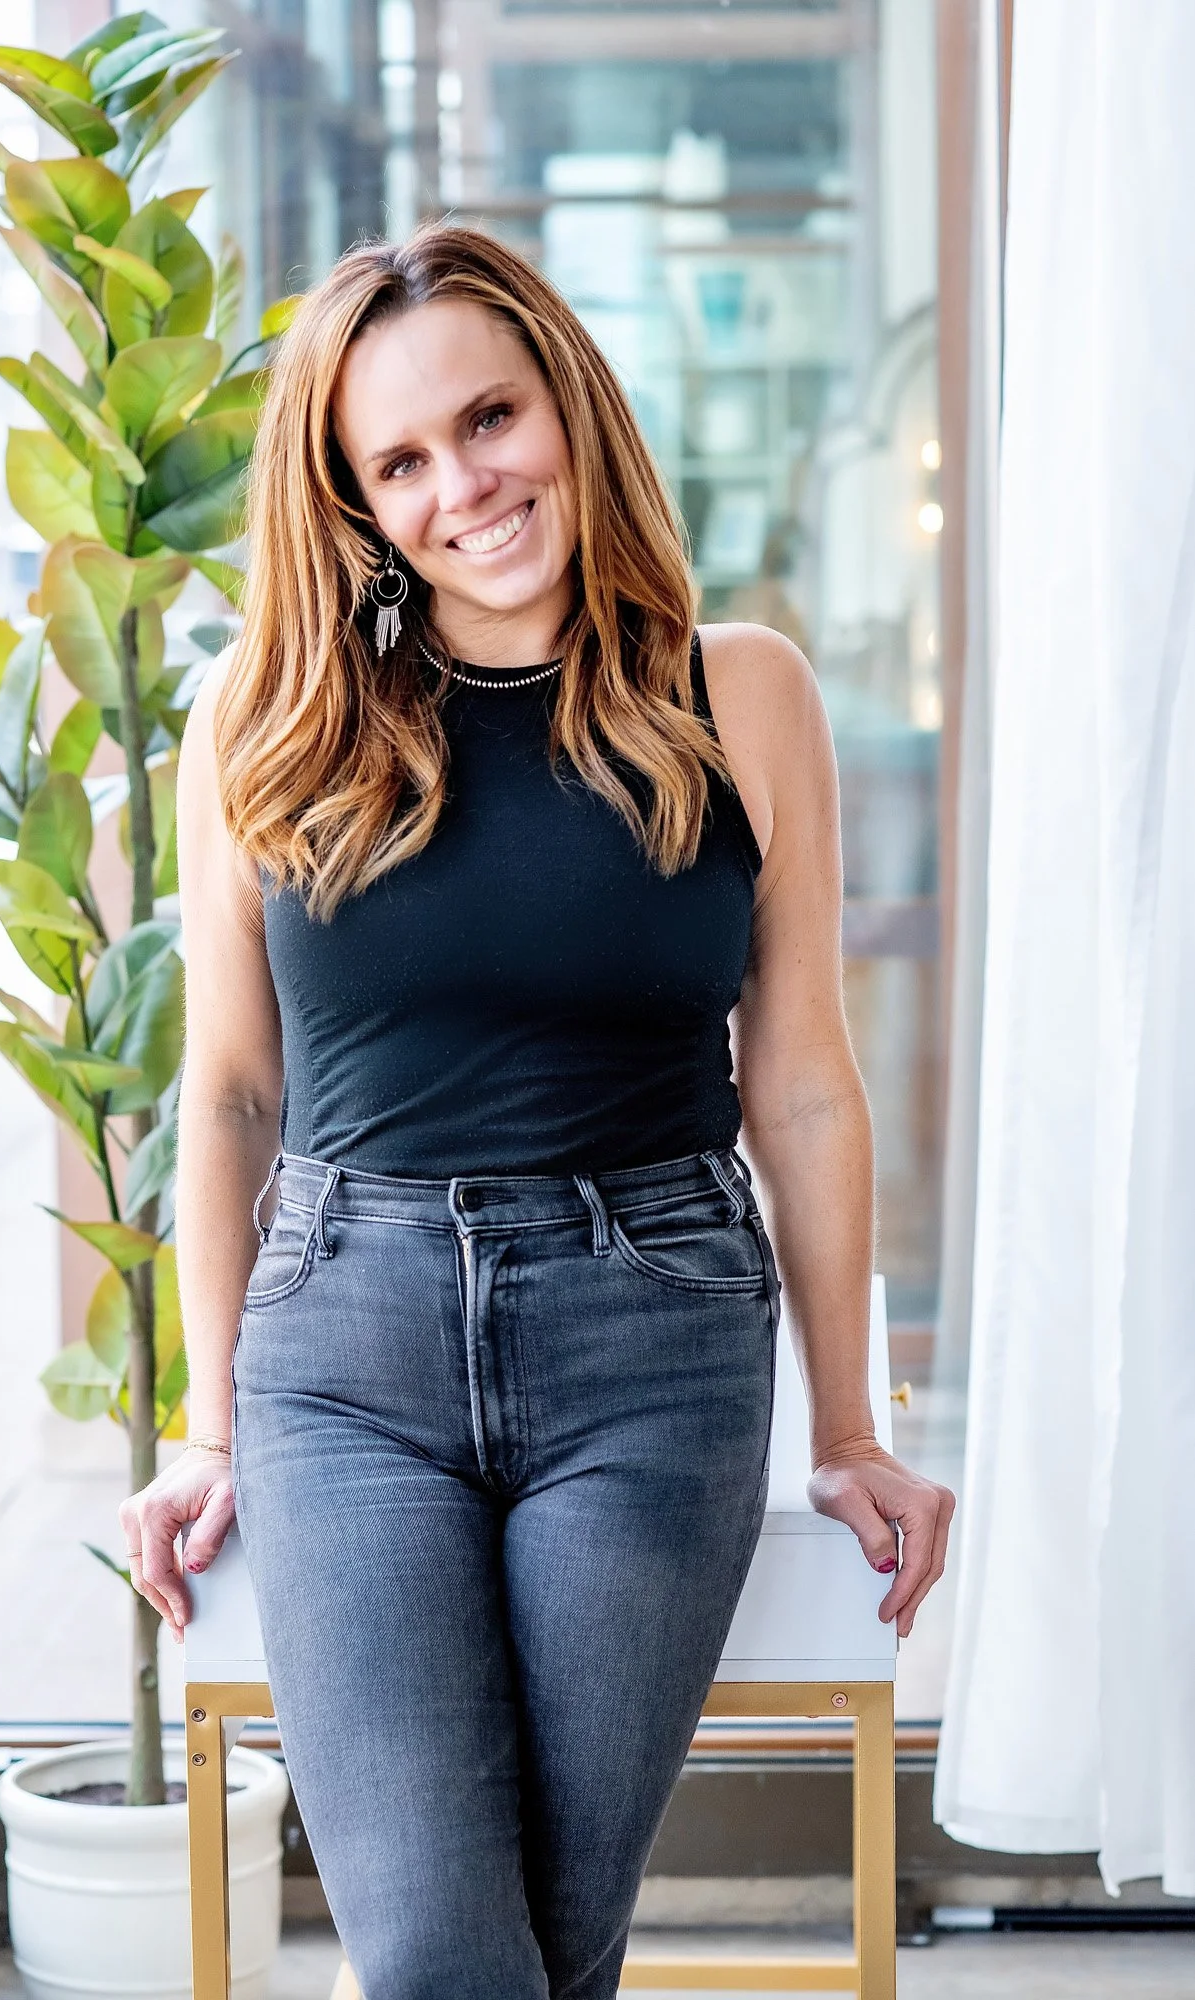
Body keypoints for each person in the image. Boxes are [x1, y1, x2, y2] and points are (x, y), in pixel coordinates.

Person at [120, 223, 954, 2000]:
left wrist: (852, 1424)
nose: (463, 487)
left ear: (570, 401)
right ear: (351, 505)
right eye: (399, 463)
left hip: (648, 1340)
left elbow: (799, 1082)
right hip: (345, 1354)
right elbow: (233, 1089)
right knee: (440, 1952)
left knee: (548, 1944)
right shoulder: (265, 719)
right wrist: (205, 1425)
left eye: (490, 418)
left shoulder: (745, 695)